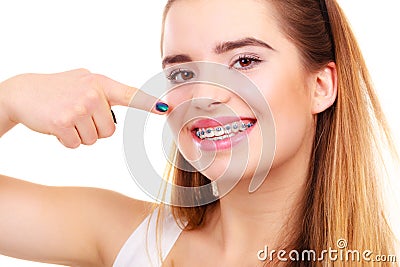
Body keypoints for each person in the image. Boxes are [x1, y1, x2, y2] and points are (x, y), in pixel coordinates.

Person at [0, 0, 398, 266]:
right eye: (182, 72)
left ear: (321, 86)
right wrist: (10, 99)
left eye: (244, 60)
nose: (205, 96)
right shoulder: (131, 239)